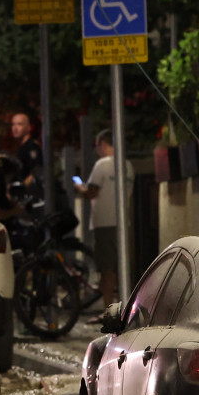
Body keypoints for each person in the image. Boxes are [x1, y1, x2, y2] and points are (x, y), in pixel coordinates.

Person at [72, 129, 132, 305]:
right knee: (122, 269)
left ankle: (109, 310)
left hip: (104, 224)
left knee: (107, 270)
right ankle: (125, 308)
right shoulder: (127, 165)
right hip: (123, 223)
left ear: (103, 145)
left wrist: (79, 187)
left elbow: (91, 193)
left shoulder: (103, 164)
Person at [8, 112, 44, 202]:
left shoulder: (31, 147)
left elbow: (35, 172)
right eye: (13, 124)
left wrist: (21, 188)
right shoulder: (21, 148)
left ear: (28, 127)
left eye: (20, 124)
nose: (15, 128)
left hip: (31, 196)